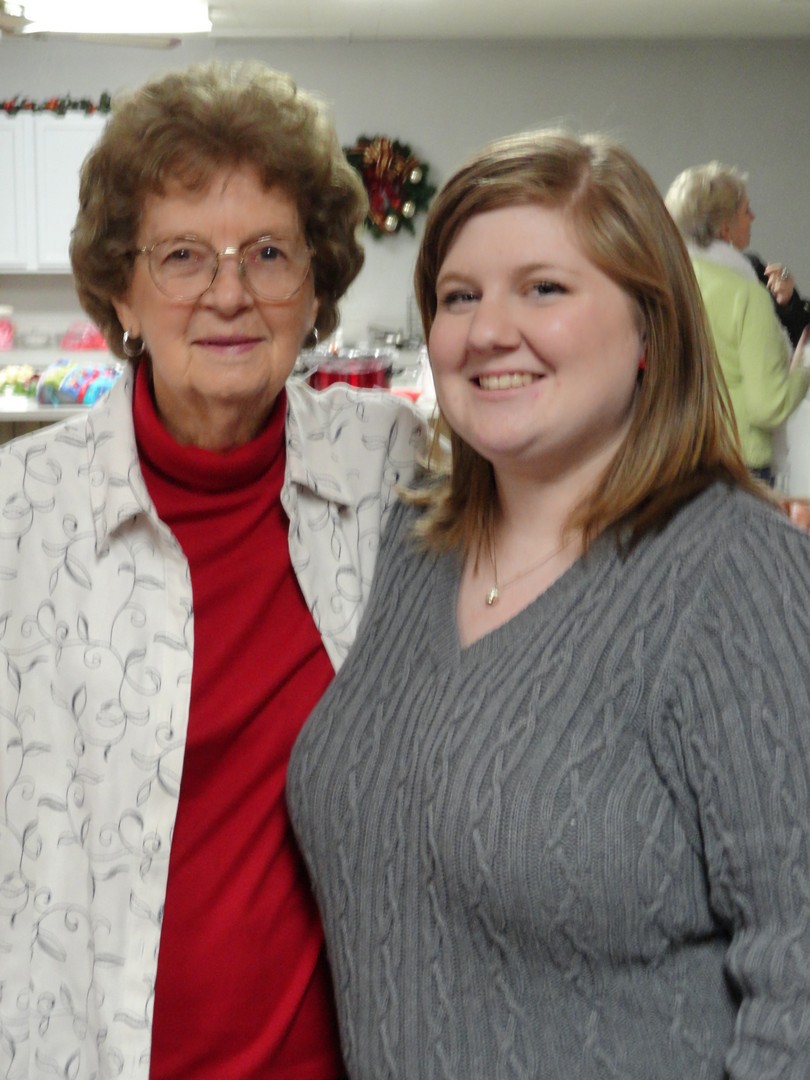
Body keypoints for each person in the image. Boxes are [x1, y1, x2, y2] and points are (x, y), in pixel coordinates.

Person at [287, 129, 810, 1078]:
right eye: (459, 296)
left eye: (544, 288)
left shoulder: (735, 574)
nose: (488, 330)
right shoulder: (403, 546)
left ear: (650, 327)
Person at [0, 61, 425, 1080]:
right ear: (122, 289)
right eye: (183, 256)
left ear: (315, 285)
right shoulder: (21, 513)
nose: (229, 293)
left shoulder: (388, 470)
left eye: (269, 253)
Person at [665, 160, 809, 485]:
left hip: (677, 460)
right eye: (746, 210)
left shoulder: (669, 286)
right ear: (725, 229)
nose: (753, 217)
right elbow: (769, 405)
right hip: (740, 463)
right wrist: (804, 373)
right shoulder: (745, 293)